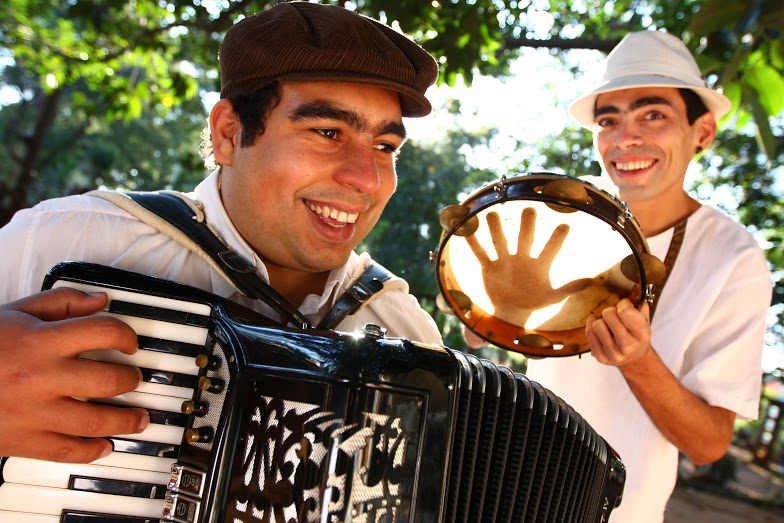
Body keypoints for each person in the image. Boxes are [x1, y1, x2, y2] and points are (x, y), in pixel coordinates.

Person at [0, 1, 442, 464]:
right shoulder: (64, 239)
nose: (367, 179)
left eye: (384, 146)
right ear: (229, 133)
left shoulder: (407, 333)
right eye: (328, 132)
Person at [521, 31, 773, 522]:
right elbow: (506, 329)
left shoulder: (733, 257)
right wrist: (482, 310)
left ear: (702, 132)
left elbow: (708, 444)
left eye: (652, 114)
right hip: (511, 494)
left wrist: (639, 361)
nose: (624, 138)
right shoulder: (562, 215)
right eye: (607, 120)